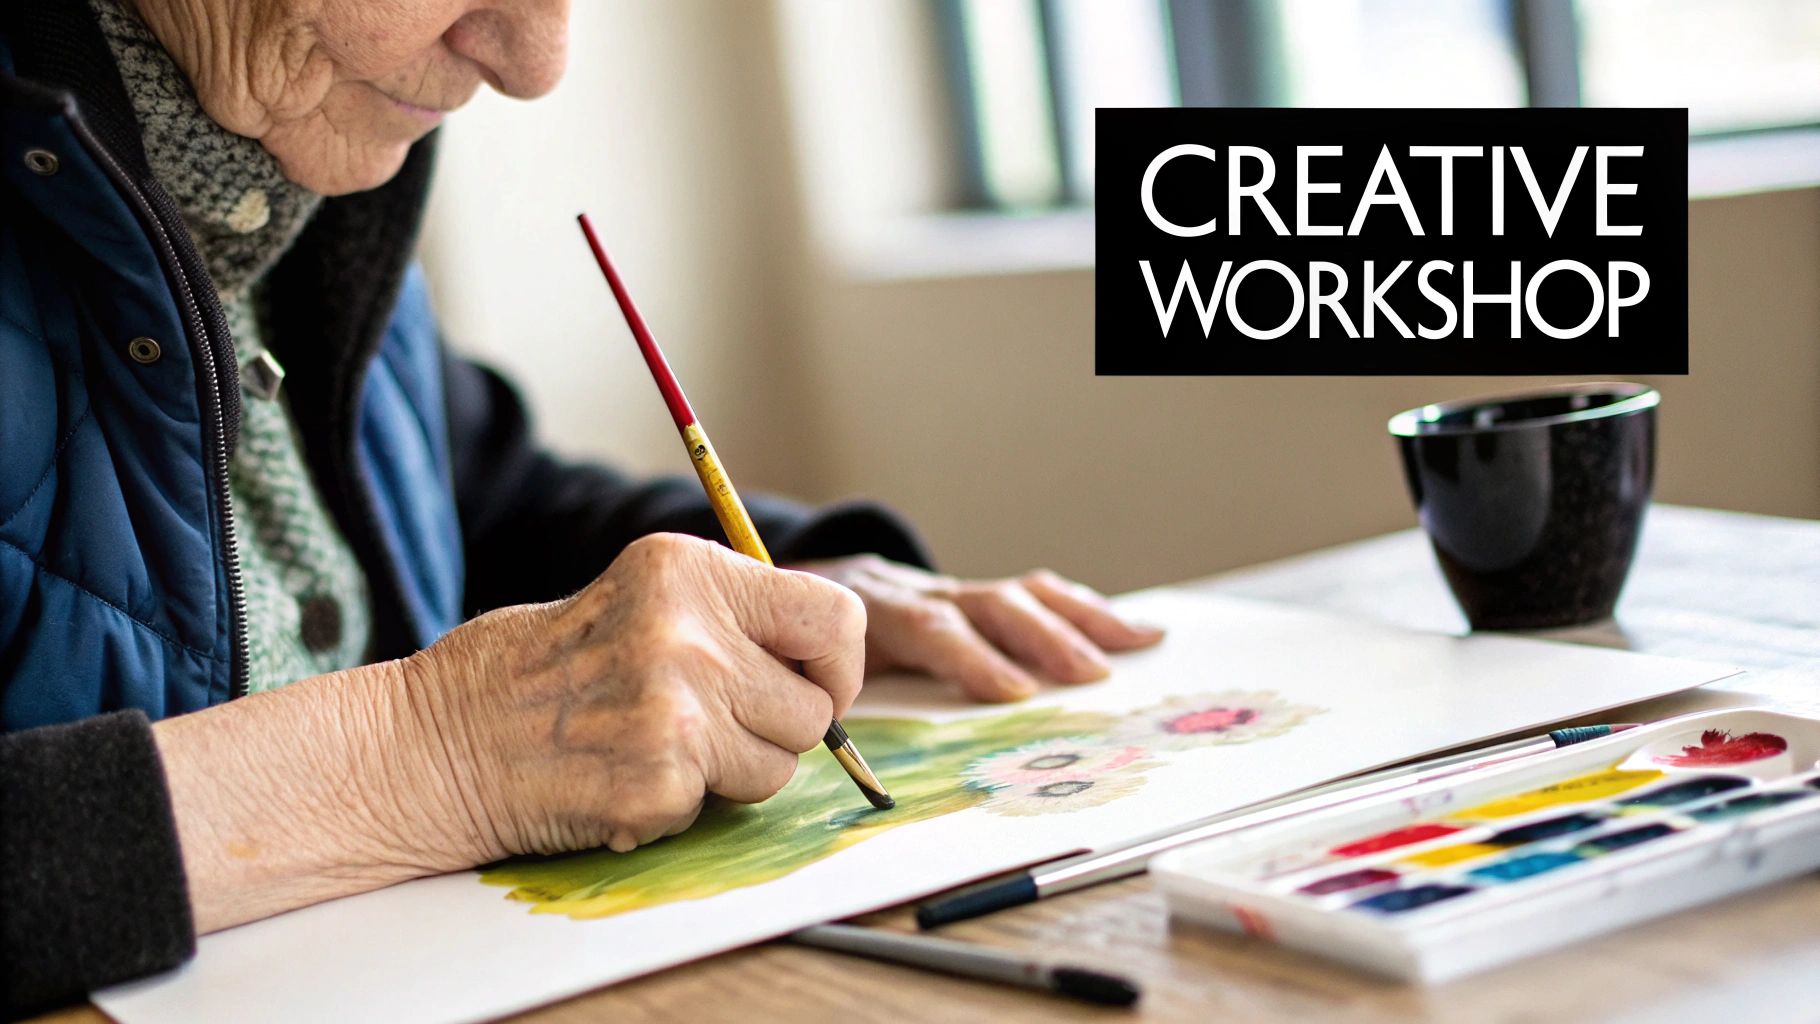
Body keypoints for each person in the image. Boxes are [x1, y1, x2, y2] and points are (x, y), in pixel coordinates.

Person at [0, 0, 1164, 1012]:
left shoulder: (286, 162)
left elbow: (473, 498)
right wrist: (428, 751)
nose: (535, 60)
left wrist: (793, 577)